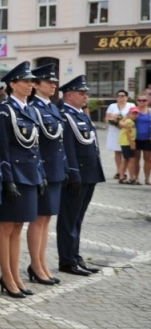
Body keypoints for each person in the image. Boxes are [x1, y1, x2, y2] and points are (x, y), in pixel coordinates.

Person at [0, 61, 45, 298]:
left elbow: (35, 146)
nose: (30, 85)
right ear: (12, 84)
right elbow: (2, 147)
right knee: (5, 228)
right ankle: (7, 276)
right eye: (25, 81)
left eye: (31, 81)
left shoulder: (31, 110)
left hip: (29, 175)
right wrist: (8, 179)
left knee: (18, 228)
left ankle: (15, 275)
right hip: (14, 176)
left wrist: (40, 174)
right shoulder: (5, 111)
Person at [56, 76, 104, 276]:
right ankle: (67, 260)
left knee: (78, 219)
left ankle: (74, 256)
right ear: (69, 95)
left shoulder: (81, 115)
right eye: (82, 93)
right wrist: (73, 173)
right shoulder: (65, 116)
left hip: (89, 173)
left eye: (86, 93)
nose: (86, 96)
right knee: (69, 219)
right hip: (76, 176)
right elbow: (67, 148)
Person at [26, 64, 67, 286]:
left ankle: (41, 262)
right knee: (39, 218)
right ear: (36, 85)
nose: (53, 85)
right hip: (42, 170)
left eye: (54, 83)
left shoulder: (52, 107)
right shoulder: (33, 108)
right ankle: (35, 264)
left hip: (55, 170)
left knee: (47, 218)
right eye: (48, 82)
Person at [105, 90, 134, 181]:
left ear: (127, 97)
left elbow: (133, 116)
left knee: (126, 153)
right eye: (118, 96)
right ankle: (119, 171)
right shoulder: (112, 106)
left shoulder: (131, 106)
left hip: (126, 132)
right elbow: (106, 118)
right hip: (115, 131)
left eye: (122, 96)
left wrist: (121, 123)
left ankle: (124, 172)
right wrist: (113, 120)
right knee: (117, 152)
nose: (120, 98)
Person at [118, 109, 139, 183]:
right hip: (127, 143)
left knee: (126, 160)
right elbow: (128, 133)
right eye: (133, 113)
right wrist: (132, 144)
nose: (135, 115)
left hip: (124, 142)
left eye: (136, 114)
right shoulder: (129, 122)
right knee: (131, 160)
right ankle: (132, 177)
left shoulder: (127, 121)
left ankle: (121, 176)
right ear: (129, 114)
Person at [134, 93, 151, 184]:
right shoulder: (134, 111)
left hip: (148, 139)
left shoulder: (150, 112)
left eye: (144, 100)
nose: (142, 102)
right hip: (136, 139)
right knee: (136, 159)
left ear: (147, 101)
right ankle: (136, 178)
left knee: (148, 160)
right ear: (137, 101)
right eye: (139, 100)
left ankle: (147, 178)